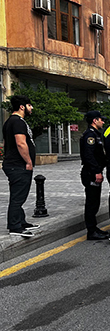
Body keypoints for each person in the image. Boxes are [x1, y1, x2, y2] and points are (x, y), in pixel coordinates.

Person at [2, 95, 39, 237]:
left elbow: (6, 143)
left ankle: (21, 221)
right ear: (22, 107)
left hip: (13, 164)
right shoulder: (17, 122)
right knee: (18, 197)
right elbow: (20, 143)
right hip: (18, 165)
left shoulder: (10, 122)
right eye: (30, 105)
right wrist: (28, 161)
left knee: (19, 194)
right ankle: (15, 226)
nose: (32, 108)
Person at [79, 110, 109, 240]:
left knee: (95, 202)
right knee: (91, 203)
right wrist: (97, 171)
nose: (103, 121)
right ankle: (91, 231)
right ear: (94, 121)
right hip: (91, 173)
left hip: (94, 171)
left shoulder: (96, 134)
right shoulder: (90, 136)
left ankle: (94, 228)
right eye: (101, 119)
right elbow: (89, 156)